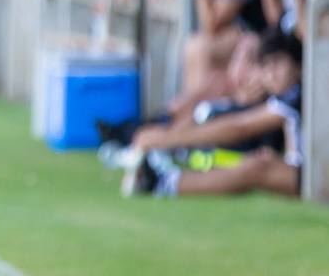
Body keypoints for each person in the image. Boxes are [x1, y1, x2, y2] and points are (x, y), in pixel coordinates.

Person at [124, 30, 303, 198]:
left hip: (315, 177)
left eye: (278, 64)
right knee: (262, 157)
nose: (271, 74)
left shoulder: (297, 94)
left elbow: (240, 128)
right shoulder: (284, 95)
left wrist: (165, 138)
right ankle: (166, 165)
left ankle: (165, 182)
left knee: (260, 166)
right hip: (304, 171)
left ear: (298, 66)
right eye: (265, 66)